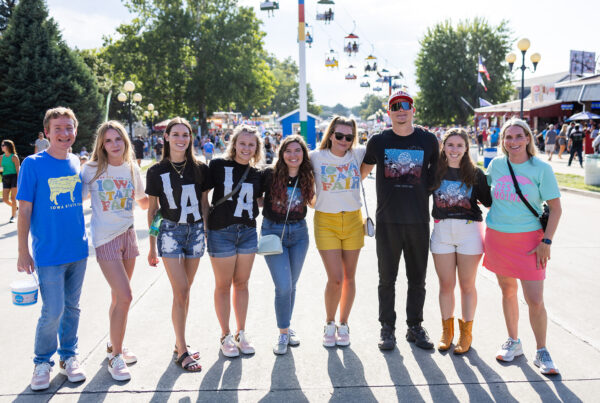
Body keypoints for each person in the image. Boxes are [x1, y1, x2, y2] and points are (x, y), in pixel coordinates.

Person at [361, 90, 439, 351]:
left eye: (405, 105)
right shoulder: (378, 141)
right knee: (387, 279)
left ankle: (414, 326)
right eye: (395, 106)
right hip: (388, 222)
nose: (401, 109)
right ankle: (387, 328)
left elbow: (438, 175)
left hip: (418, 220)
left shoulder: (428, 140)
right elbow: (359, 174)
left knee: (418, 279)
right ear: (389, 112)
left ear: (413, 109)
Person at [17, 107, 88, 391]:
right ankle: (42, 361)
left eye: (68, 127)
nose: (64, 133)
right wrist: (23, 251)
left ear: (75, 131)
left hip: (78, 251)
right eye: (57, 128)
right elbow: (24, 211)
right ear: (47, 133)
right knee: (53, 310)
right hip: (48, 253)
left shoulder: (76, 163)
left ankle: (69, 357)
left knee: (72, 308)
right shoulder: (32, 164)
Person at [484, 118, 561, 375]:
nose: (513, 142)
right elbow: (484, 194)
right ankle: (513, 342)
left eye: (519, 136)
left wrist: (546, 242)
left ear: (528, 138)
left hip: (530, 241)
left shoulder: (541, 168)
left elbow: (556, 208)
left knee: (535, 299)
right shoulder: (496, 165)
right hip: (498, 237)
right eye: (508, 137)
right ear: (502, 141)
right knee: (507, 291)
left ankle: (542, 350)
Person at [81, 121, 149, 381]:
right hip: (105, 239)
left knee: (118, 298)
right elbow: (76, 197)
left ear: (125, 141)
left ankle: (114, 344)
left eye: (118, 139)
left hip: (129, 236)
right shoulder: (91, 170)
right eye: (108, 141)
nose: (114, 144)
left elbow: (142, 203)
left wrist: (158, 198)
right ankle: (116, 357)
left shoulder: (132, 168)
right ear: (101, 144)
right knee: (126, 296)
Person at [146, 117, 209, 372]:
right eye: (176, 134)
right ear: (166, 137)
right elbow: (152, 211)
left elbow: (204, 202)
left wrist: (205, 229)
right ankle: (182, 351)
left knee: (184, 292)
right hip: (170, 232)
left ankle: (178, 343)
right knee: (181, 290)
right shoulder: (156, 171)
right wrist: (151, 247)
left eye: (186, 135)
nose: (181, 139)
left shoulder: (200, 168)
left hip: (195, 231)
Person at [430, 128, 491, 354]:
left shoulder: (476, 174)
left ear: (466, 149)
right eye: (450, 145)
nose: (454, 149)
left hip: (470, 234)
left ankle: (466, 333)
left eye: (459, 145)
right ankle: (447, 332)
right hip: (442, 233)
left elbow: (490, 202)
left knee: (467, 285)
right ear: (443, 147)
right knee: (446, 285)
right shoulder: (434, 171)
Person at [206, 125, 264, 358]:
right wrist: (204, 224)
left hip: (248, 231)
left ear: (257, 148)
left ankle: (241, 332)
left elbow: (258, 201)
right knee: (223, 284)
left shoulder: (259, 174)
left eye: (251, 145)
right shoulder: (218, 166)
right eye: (242, 143)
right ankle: (225, 334)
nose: (246, 148)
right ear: (234, 144)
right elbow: (203, 195)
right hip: (221, 231)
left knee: (242, 283)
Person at [310, 116, 366, 348]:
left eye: (349, 137)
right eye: (339, 135)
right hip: (326, 221)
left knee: (349, 277)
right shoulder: (315, 157)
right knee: (335, 278)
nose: (344, 141)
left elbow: (383, 146)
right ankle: (329, 323)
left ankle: (344, 324)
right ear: (330, 134)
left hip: (353, 219)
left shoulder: (359, 154)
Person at [261, 135, 314, 354]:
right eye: (288, 151)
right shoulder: (269, 175)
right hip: (273, 233)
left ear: (303, 154)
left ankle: (287, 327)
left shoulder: (308, 176)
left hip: (299, 234)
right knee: (283, 286)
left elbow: (312, 202)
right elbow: (257, 199)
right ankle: (283, 334)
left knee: (291, 286)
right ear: (281, 153)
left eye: (297, 151)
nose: (293, 155)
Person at [2, 139, 20, 223]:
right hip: (5, 177)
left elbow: (18, 169)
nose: (1, 147)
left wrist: (19, 180)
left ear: (8, 147)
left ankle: (13, 216)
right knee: (5, 199)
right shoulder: (1, 157)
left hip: (14, 178)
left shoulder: (14, 157)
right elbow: (1, 168)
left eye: (3, 145)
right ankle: (15, 208)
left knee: (13, 198)